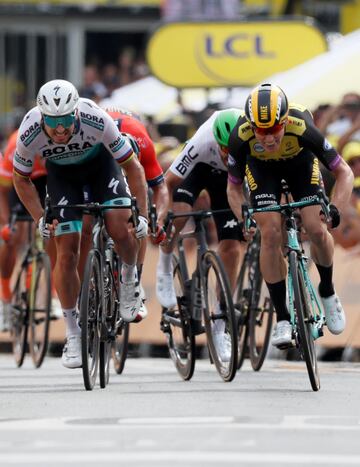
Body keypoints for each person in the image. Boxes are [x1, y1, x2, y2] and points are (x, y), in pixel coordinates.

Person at [13, 79, 148, 369]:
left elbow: (133, 166)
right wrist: (40, 217)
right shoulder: (29, 131)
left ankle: (128, 281)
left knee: (119, 227)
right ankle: (73, 333)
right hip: (63, 178)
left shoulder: (96, 118)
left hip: (101, 167)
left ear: (75, 114)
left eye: (65, 121)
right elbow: (20, 179)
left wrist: (144, 215)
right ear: (42, 117)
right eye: (53, 123)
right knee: (67, 251)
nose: (60, 130)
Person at [227, 83, 354, 348]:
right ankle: (283, 318)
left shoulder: (302, 126)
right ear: (251, 126)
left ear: (285, 120)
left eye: (274, 128)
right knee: (270, 234)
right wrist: (243, 219)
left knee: (316, 228)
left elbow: (344, 172)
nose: (269, 138)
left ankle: (328, 291)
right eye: (261, 131)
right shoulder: (240, 137)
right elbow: (233, 187)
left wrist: (336, 207)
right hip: (262, 172)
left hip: (301, 165)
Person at [156, 108, 245, 361]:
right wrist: (161, 216)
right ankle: (164, 265)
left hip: (229, 182)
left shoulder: (249, 142)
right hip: (197, 171)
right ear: (216, 140)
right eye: (223, 148)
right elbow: (168, 182)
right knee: (181, 212)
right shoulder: (202, 141)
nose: (227, 153)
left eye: (232, 149)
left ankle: (220, 324)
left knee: (231, 245)